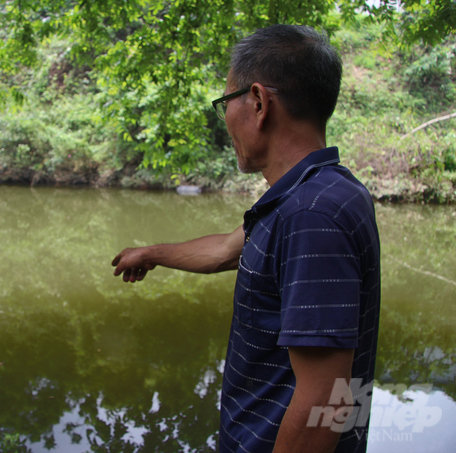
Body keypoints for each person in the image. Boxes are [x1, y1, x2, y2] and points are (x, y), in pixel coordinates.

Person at [112, 24, 380, 453]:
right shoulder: (318, 191)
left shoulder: (311, 215)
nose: (226, 120)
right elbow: (224, 250)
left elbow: (324, 401)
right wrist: (153, 253)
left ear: (258, 102)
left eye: (226, 103)